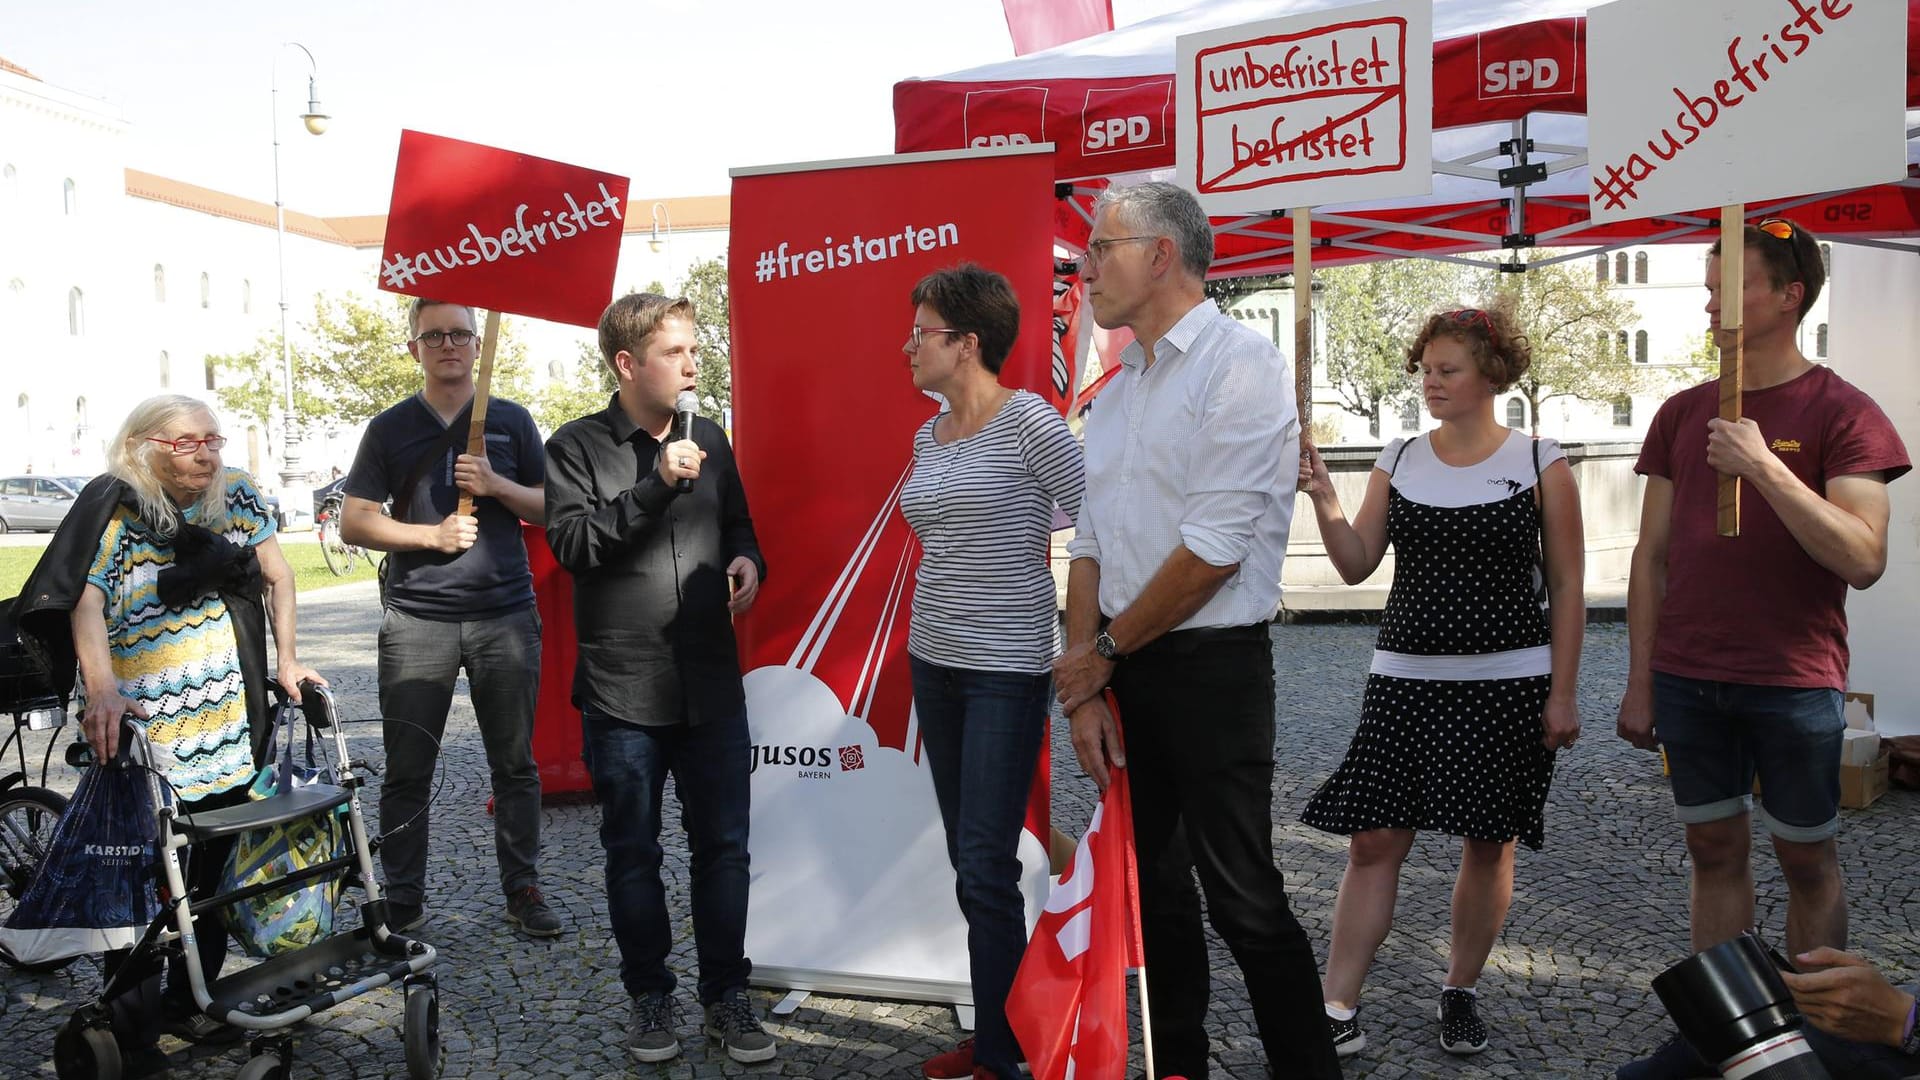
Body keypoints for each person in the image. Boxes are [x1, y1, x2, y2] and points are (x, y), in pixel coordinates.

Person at [1052, 181, 1341, 1079]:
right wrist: (1085, 677)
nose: (1085, 268)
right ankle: (1178, 1065)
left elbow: (1213, 551)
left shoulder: (1240, 366)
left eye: (1101, 249)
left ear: (1161, 255)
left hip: (1211, 668)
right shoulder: (1119, 387)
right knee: (1155, 898)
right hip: (1125, 667)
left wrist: (1098, 656)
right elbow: (1092, 541)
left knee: (1244, 897)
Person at [1615, 218, 1910, 1079]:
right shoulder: (1681, 411)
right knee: (1713, 852)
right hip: (1687, 676)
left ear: (1790, 294)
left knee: (1807, 858)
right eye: (1708, 284)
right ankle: (1728, 1031)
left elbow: (1863, 558)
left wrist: (1766, 468)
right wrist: (1639, 680)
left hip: (1792, 682)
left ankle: (1823, 1032)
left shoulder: (1844, 412)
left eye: (1729, 284)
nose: (1709, 301)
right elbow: (1652, 557)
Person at [1298, 305, 1585, 1059]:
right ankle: (1335, 1007)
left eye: (1447, 368)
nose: (1431, 381)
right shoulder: (1399, 457)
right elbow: (1356, 563)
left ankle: (1459, 989)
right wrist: (1325, 495)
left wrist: (1563, 691)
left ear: (1491, 373)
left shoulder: (1539, 461)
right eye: (1425, 368)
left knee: (1488, 844)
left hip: (1508, 684)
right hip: (1404, 680)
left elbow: (1568, 585)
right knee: (1374, 838)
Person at [17, 394, 323, 1069]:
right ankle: (130, 1033)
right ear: (147, 445)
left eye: (214, 439)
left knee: (211, 869)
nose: (209, 453)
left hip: (229, 723)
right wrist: (101, 692)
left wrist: (289, 659)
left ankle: (193, 999)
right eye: (191, 442)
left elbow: (278, 573)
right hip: (145, 728)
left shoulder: (236, 495)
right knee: (142, 879)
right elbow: (89, 599)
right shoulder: (118, 506)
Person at [544, 293, 775, 1066]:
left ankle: (727, 995)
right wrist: (653, 486)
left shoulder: (710, 436)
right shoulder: (575, 446)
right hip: (622, 691)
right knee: (632, 854)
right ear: (628, 363)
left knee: (726, 850)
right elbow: (574, 546)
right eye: (677, 351)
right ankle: (650, 997)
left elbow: (739, 522)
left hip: (710, 681)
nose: (693, 363)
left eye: (695, 350)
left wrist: (748, 560)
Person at [898, 264, 1085, 1080]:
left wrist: (1089, 650)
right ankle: (1002, 1036)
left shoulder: (1030, 423)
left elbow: (1101, 523)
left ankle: (1008, 1059)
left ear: (967, 343)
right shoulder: (926, 433)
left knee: (985, 863)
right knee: (972, 864)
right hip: (932, 661)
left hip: (1005, 669)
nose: (908, 345)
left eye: (923, 331)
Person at [338, 298, 558, 939]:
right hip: (418, 619)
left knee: (515, 763)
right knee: (409, 768)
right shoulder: (389, 429)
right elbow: (355, 519)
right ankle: (403, 900)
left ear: (477, 346)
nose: (448, 345)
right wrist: (429, 538)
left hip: (505, 616)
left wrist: (495, 486)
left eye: (460, 334)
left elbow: (549, 507)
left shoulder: (512, 422)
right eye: (433, 335)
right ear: (414, 348)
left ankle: (523, 888)